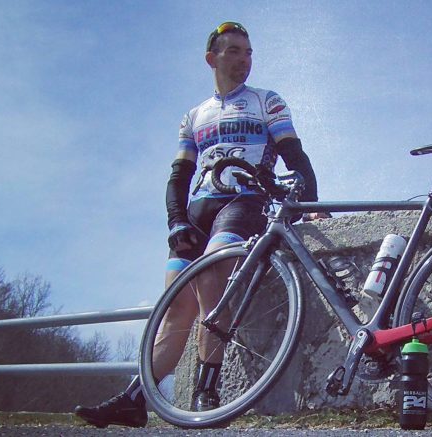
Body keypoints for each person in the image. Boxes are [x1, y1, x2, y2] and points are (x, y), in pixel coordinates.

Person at [74, 21, 328, 428]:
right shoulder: (194, 115)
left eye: (248, 52)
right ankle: (135, 399)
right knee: (175, 307)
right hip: (199, 209)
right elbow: (179, 176)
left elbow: (295, 156)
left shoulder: (267, 101)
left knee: (212, 279)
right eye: (234, 51)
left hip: (244, 201)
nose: (244, 59)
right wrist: (176, 221)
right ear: (212, 58)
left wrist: (311, 204)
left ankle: (206, 389)